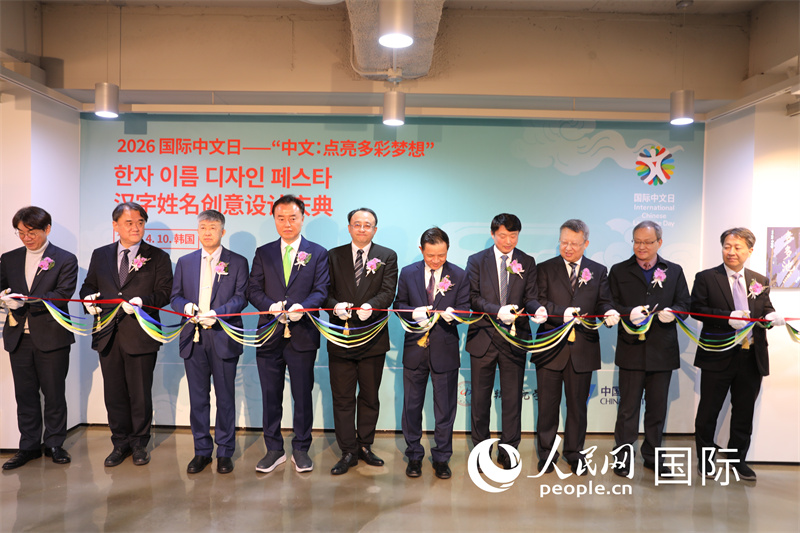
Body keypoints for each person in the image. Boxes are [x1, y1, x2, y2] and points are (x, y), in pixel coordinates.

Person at [80, 202, 173, 467]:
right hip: (107, 335)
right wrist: (87, 300)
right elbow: (88, 286)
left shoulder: (158, 257)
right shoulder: (101, 255)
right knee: (114, 393)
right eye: (129, 223)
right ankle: (119, 443)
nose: (135, 228)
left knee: (140, 393)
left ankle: (139, 444)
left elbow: (165, 293)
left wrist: (144, 302)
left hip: (141, 335)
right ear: (115, 225)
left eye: (140, 222)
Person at [690, 227, 784, 481]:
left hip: (751, 357)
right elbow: (696, 309)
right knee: (708, 412)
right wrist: (726, 318)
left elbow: (765, 308)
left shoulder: (760, 280)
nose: (731, 252)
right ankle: (705, 461)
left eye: (737, 247)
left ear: (749, 251)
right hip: (717, 354)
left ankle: (737, 460)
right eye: (726, 246)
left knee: (744, 412)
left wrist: (772, 317)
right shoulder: (707, 277)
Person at [247, 194, 329, 474]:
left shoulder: (317, 252)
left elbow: (321, 289)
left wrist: (303, 307)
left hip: (302, 333)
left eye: (292, 218)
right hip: (268, 334)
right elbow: (253, 289)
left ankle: (301, 449)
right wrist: (269, 306)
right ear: (274, 220)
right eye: (281, 218)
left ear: (302, 218)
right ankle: (273, 449)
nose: (287, 223)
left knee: (302, 394)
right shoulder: (264, 252)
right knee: (270, 395)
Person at [535, 219, 618, 475]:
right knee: (547, 407)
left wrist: (609, 311)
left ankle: (574, 453)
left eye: (574, 243)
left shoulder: (598, 270)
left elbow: (603, 301)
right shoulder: (544, 268)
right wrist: (562, 313)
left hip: (583, 349)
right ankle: (547, 454)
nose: (568, 248)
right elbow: (538, 301)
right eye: (564, 242)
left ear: (586, 243)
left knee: (577, 408)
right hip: (550, 348)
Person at [608, 220, 690, 477]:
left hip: (662, 351)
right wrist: (627, 312)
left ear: (659, 242)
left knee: (657, 409)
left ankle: (653, 456)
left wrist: (674, 312)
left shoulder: (673, 270)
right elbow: (609, 304)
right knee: (628, 409)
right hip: (631, 350)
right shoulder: (619, 270)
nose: (641, 247)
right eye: (637, 241)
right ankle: (623, 456)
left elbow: (685, 305)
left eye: (647, 242)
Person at [465, 213, 547, 469]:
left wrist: (536, 309)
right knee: (480, 401)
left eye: (513, 236)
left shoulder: (527, 261)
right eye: (503, 235)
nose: (508, 241)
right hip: (483, 338)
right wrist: (496, 310)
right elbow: (472, 297)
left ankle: (509, 450)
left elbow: (530, 297)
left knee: (512, 400)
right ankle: (481, 452)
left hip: (515, 339)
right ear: (493, 234)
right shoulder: (476, 260)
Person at [170, 210, 248, 474]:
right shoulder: (185, 262)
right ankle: (202, 451)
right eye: (203, 227)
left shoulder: (237, 262)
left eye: (213, 227)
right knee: (198, 398)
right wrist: (186, 307)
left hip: (223, 336)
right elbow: (175, 296)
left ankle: (224, 452)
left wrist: (219, 313)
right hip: (193, 338)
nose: (207, 232)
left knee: (225, 397)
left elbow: (241, 297)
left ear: (222, 232)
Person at [0, 206, 78, 470]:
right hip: (18, 338)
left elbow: (62, 295)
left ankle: (55, 444)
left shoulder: (64, 259)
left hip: (52, 337)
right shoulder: (9, 258)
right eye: (21, 233)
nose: (26, 238)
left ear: (47, 229)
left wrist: (25, 301)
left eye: (31, 232)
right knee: (25, 395)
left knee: (54, 393)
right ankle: (29, 446)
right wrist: (5, 299)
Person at [325, 208, 397, 476]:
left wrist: (372, 305)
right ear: (349, 228)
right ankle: (347, 450)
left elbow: (388, 291)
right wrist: (334, 306)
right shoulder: (333, 256)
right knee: (343, 397)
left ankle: (365, 445)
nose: (362, 229)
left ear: (375, 230)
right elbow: (324, 292)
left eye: (368, 225)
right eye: (357, 224)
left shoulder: (387, 256)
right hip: (341, 336)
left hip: (372, 337)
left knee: (369, 396)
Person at [395, 227, 470, 479]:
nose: (436, 260)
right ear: (421, 250)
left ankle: (442, 458)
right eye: (430, 255)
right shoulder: (408, 273)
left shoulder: (458, 274)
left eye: (441, 255)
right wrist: (413, 313)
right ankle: (414, 455)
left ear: (447, 250)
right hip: (414, 350)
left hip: (444, 351)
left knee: (445, 409)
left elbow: (466, 308)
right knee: (411, 406)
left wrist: (455, 316)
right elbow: (399, 305)